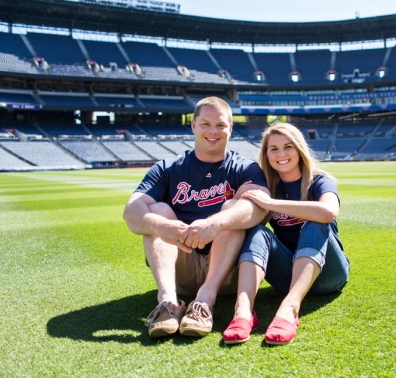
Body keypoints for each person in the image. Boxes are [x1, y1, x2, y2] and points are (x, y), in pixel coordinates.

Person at [123, 97, 269, 339]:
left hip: (227, 271)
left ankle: (204, 301)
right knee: (157, 211)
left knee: (234, 208)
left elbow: (260, 208)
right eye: (206, 124)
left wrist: (215, 224)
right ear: (193, 126)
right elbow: (131, 212)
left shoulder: (245, 168)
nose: (213, 131)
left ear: (230, 129)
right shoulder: (167, 168)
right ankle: (168, 302)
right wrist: (163, 226)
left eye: (221, 125)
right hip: (181, 267)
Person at [222, 122, 350, 345]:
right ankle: (243, 311)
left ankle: (289, 309)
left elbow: (329, 212)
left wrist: (271, 203)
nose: (281, 154)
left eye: (288, 146)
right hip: (287, 276)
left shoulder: (319, 181)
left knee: (314, 222)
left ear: (299, 149)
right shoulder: (268, 185)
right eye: (274, 149)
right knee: (258, 232)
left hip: (329, 275)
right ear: (266, 154)